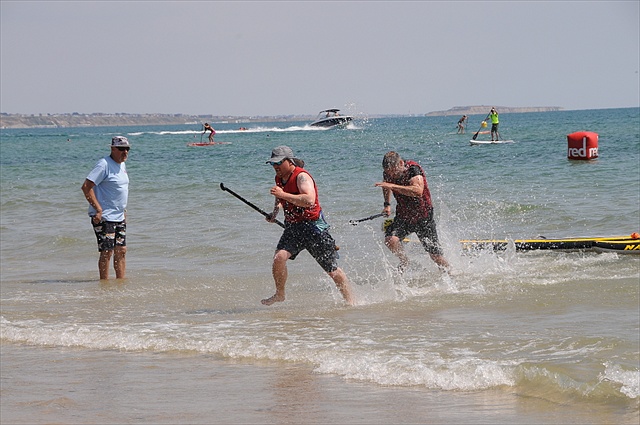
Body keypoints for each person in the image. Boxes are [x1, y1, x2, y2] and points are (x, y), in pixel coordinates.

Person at [262, 145, 355, 306]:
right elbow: (280, 198)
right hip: (293, 227)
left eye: (278, 163)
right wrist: (275, 213)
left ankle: (351, 302)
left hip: (313, 227)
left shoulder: (302, 177)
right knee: (279, 258)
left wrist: (282, 194)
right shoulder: (279, 178)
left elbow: (309, 200)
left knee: (332, 271)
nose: (275, 166)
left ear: (289, 161)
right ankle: (280, 294)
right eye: (272, 163)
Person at [374, 151, 450, 274]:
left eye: (394, 171)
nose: (392, 175)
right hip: (404, 215)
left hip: (423, 216)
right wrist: (387, 205)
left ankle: (451, 274)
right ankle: (404, 261)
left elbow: (418, 191)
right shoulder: (388, 173)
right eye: (389, 173)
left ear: (400, 163)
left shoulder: (413, 170)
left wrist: (392, 186)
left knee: (435, 256)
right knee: (390, 240)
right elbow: (386, 186)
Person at [81, 136, 130, 280]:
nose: (125, 152)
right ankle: (104, 284)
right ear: (113, 149)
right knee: (107, 251)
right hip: (105, 217)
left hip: (119, 216)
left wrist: (123, 211)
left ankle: (120, 283)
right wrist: (98, 209)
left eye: (127, 149)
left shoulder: (122, 165)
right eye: (121, 149)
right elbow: (86, 187)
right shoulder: (104, 165)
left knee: (121, 250)